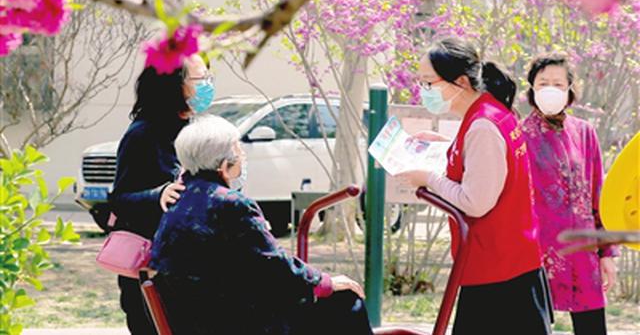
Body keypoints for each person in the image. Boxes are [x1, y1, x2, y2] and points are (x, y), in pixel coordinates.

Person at [149, 115, 373, 335]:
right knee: (346, 300)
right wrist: (324, 282)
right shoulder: (231, 204)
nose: (243, 156)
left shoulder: (177, 198)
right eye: (238, 150)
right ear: (224, 165)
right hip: (235, 322)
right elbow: (275, 265)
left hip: (197, 318)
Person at [399, 38, 552, 335]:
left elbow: (476, 201)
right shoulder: (487, 115)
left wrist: (427, 178)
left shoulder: (483, 126)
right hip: (504, 264)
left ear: (460, 82)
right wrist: (445, 145)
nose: (424, 91)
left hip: (499, 274)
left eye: (429, 83)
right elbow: (485, 165)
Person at [109, 55, 215, 335]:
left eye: (208, 78)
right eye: (199, 79)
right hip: (151, 267)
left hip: (190, 266)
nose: (207, 86)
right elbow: (120, 199)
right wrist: (159, 195)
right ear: (173, 84)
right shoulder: (143, 134)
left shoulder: (197, 130)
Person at [521, 55, 618, 335]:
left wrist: (606, 253)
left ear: (569, 89)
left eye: (557, 83)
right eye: (543, 83)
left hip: (583, 250)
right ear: (532, 89)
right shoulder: (520, 136)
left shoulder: (584, 133)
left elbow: (598, 197)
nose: (550, 89)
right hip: (538, 252)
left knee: (592, 328)